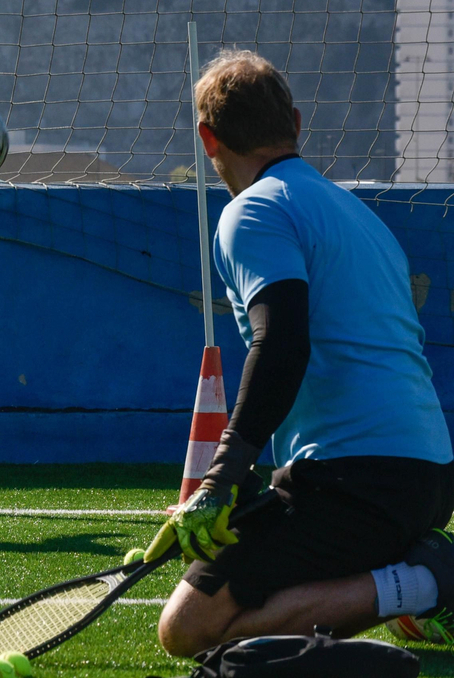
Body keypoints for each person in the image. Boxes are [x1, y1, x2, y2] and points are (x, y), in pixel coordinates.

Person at [148, 49, 454, 656]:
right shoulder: (358, 217)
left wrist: (221, 480)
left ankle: (426, 581)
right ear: (294, 120)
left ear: (209, 140)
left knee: (187, 631)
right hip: (425, 476)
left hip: (353, 479)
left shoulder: (253, 210)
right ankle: (412, 564)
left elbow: (282, 343)